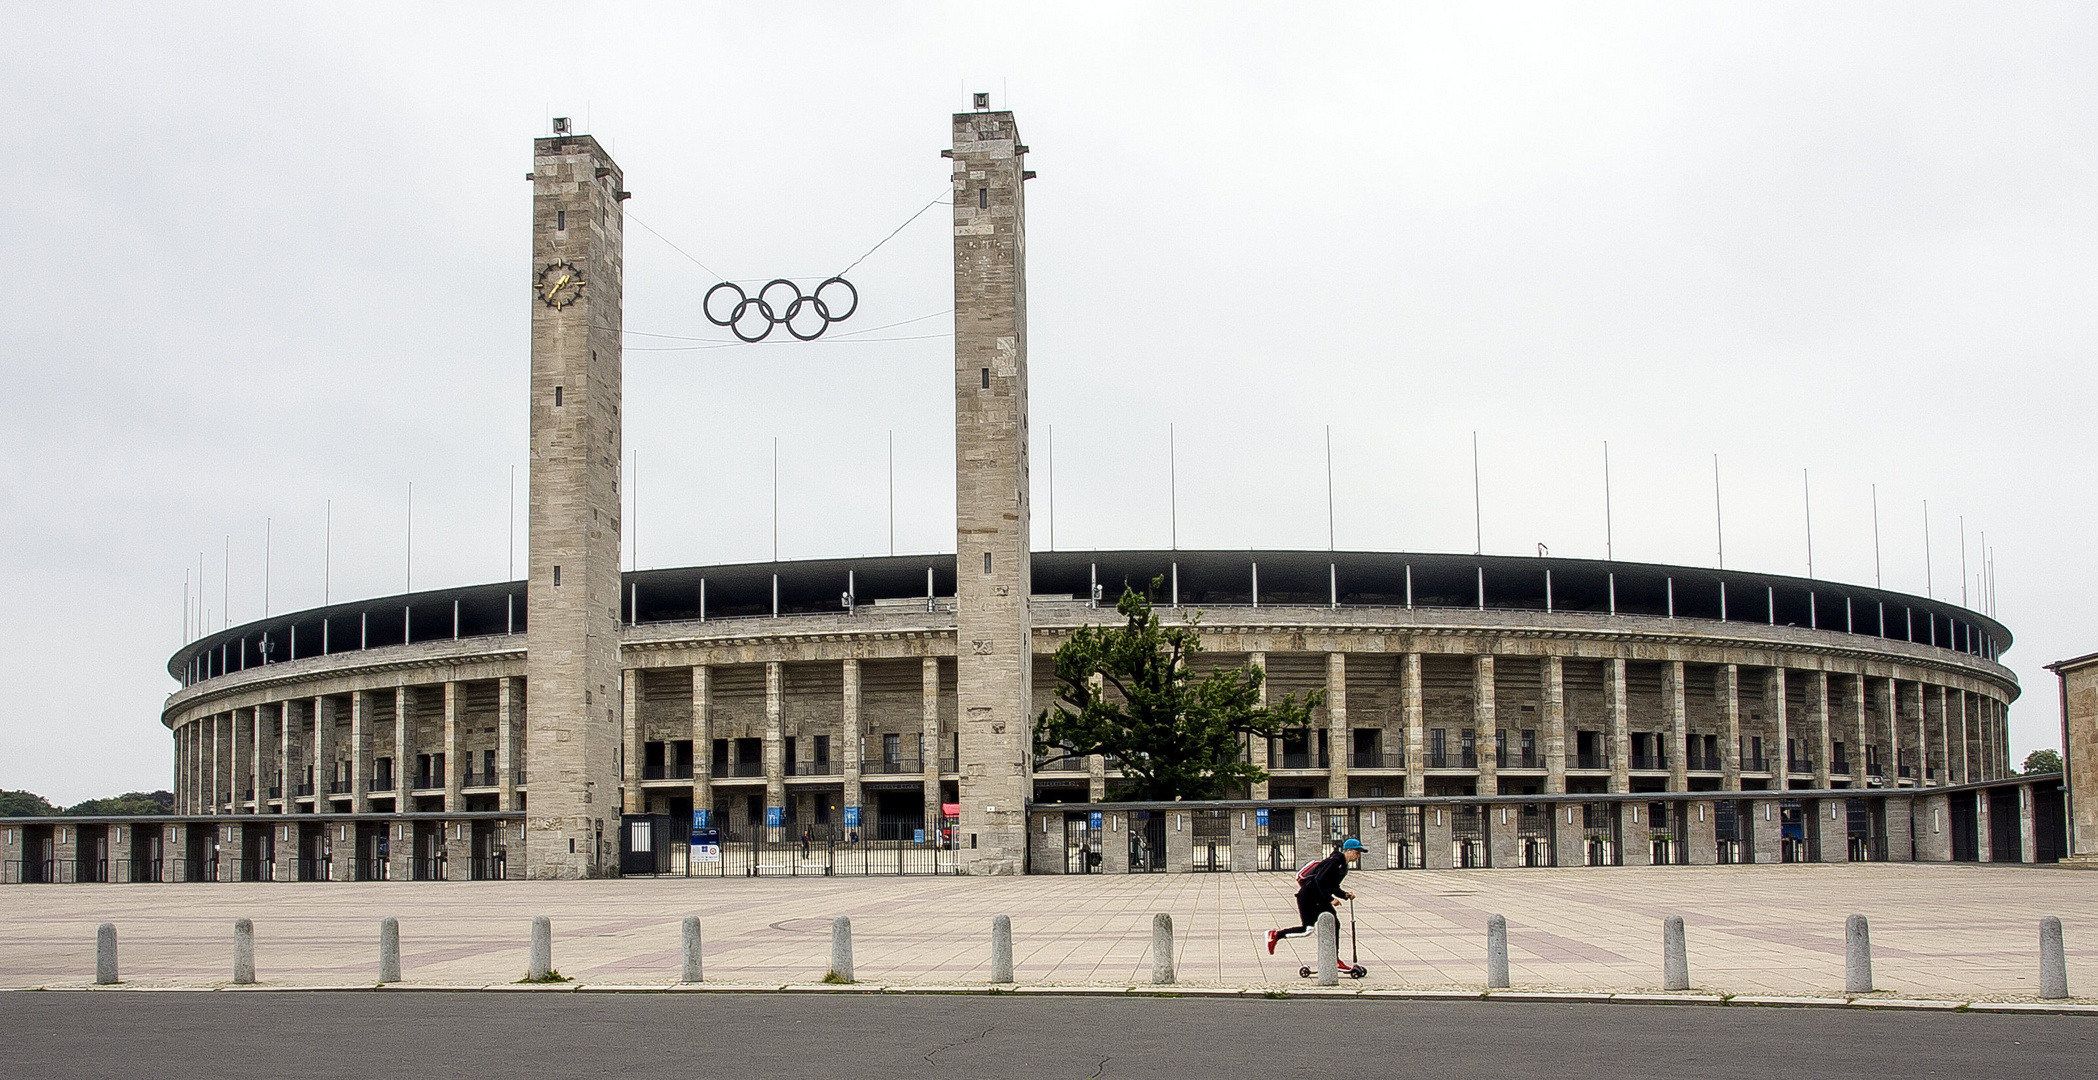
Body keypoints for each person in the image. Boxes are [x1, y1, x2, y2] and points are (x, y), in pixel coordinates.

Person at [1268, 838, 1361, 954]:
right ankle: (1275, 935)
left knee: (1331, 924)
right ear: (1348, 851)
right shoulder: (1335, 861)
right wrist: (1330, 899)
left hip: (1317, 897)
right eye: (1357, 853)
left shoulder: (1343, 866)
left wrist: (1345, 895)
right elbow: (1318, 880)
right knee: (1308, 929)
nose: (1358, 856)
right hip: (1309, 896)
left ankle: (1333, 957)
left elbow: (1332, 886)